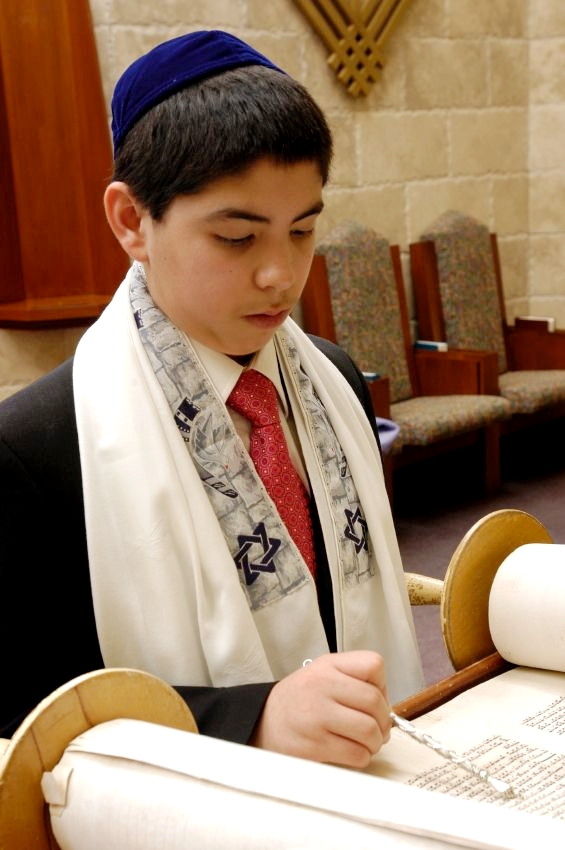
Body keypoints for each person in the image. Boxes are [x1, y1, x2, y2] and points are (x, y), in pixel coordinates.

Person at [0, 29, 424, 767]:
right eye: (236, 238)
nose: (279, 275)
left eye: (301, 231)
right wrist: (249, 717)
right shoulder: (32, 448)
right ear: (132, 220)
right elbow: (26, 713)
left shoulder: (332, 378)